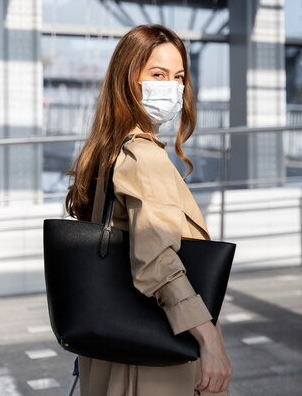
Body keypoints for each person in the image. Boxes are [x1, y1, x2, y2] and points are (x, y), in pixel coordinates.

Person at [65, 24, 232, 396]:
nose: (171, 87)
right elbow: (158, 260)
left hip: (113, 346)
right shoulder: (143, 156)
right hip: (153, 356)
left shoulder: (110, 149)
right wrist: (209, 340)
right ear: (129, 80)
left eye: (179, 77)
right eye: (157, 75)